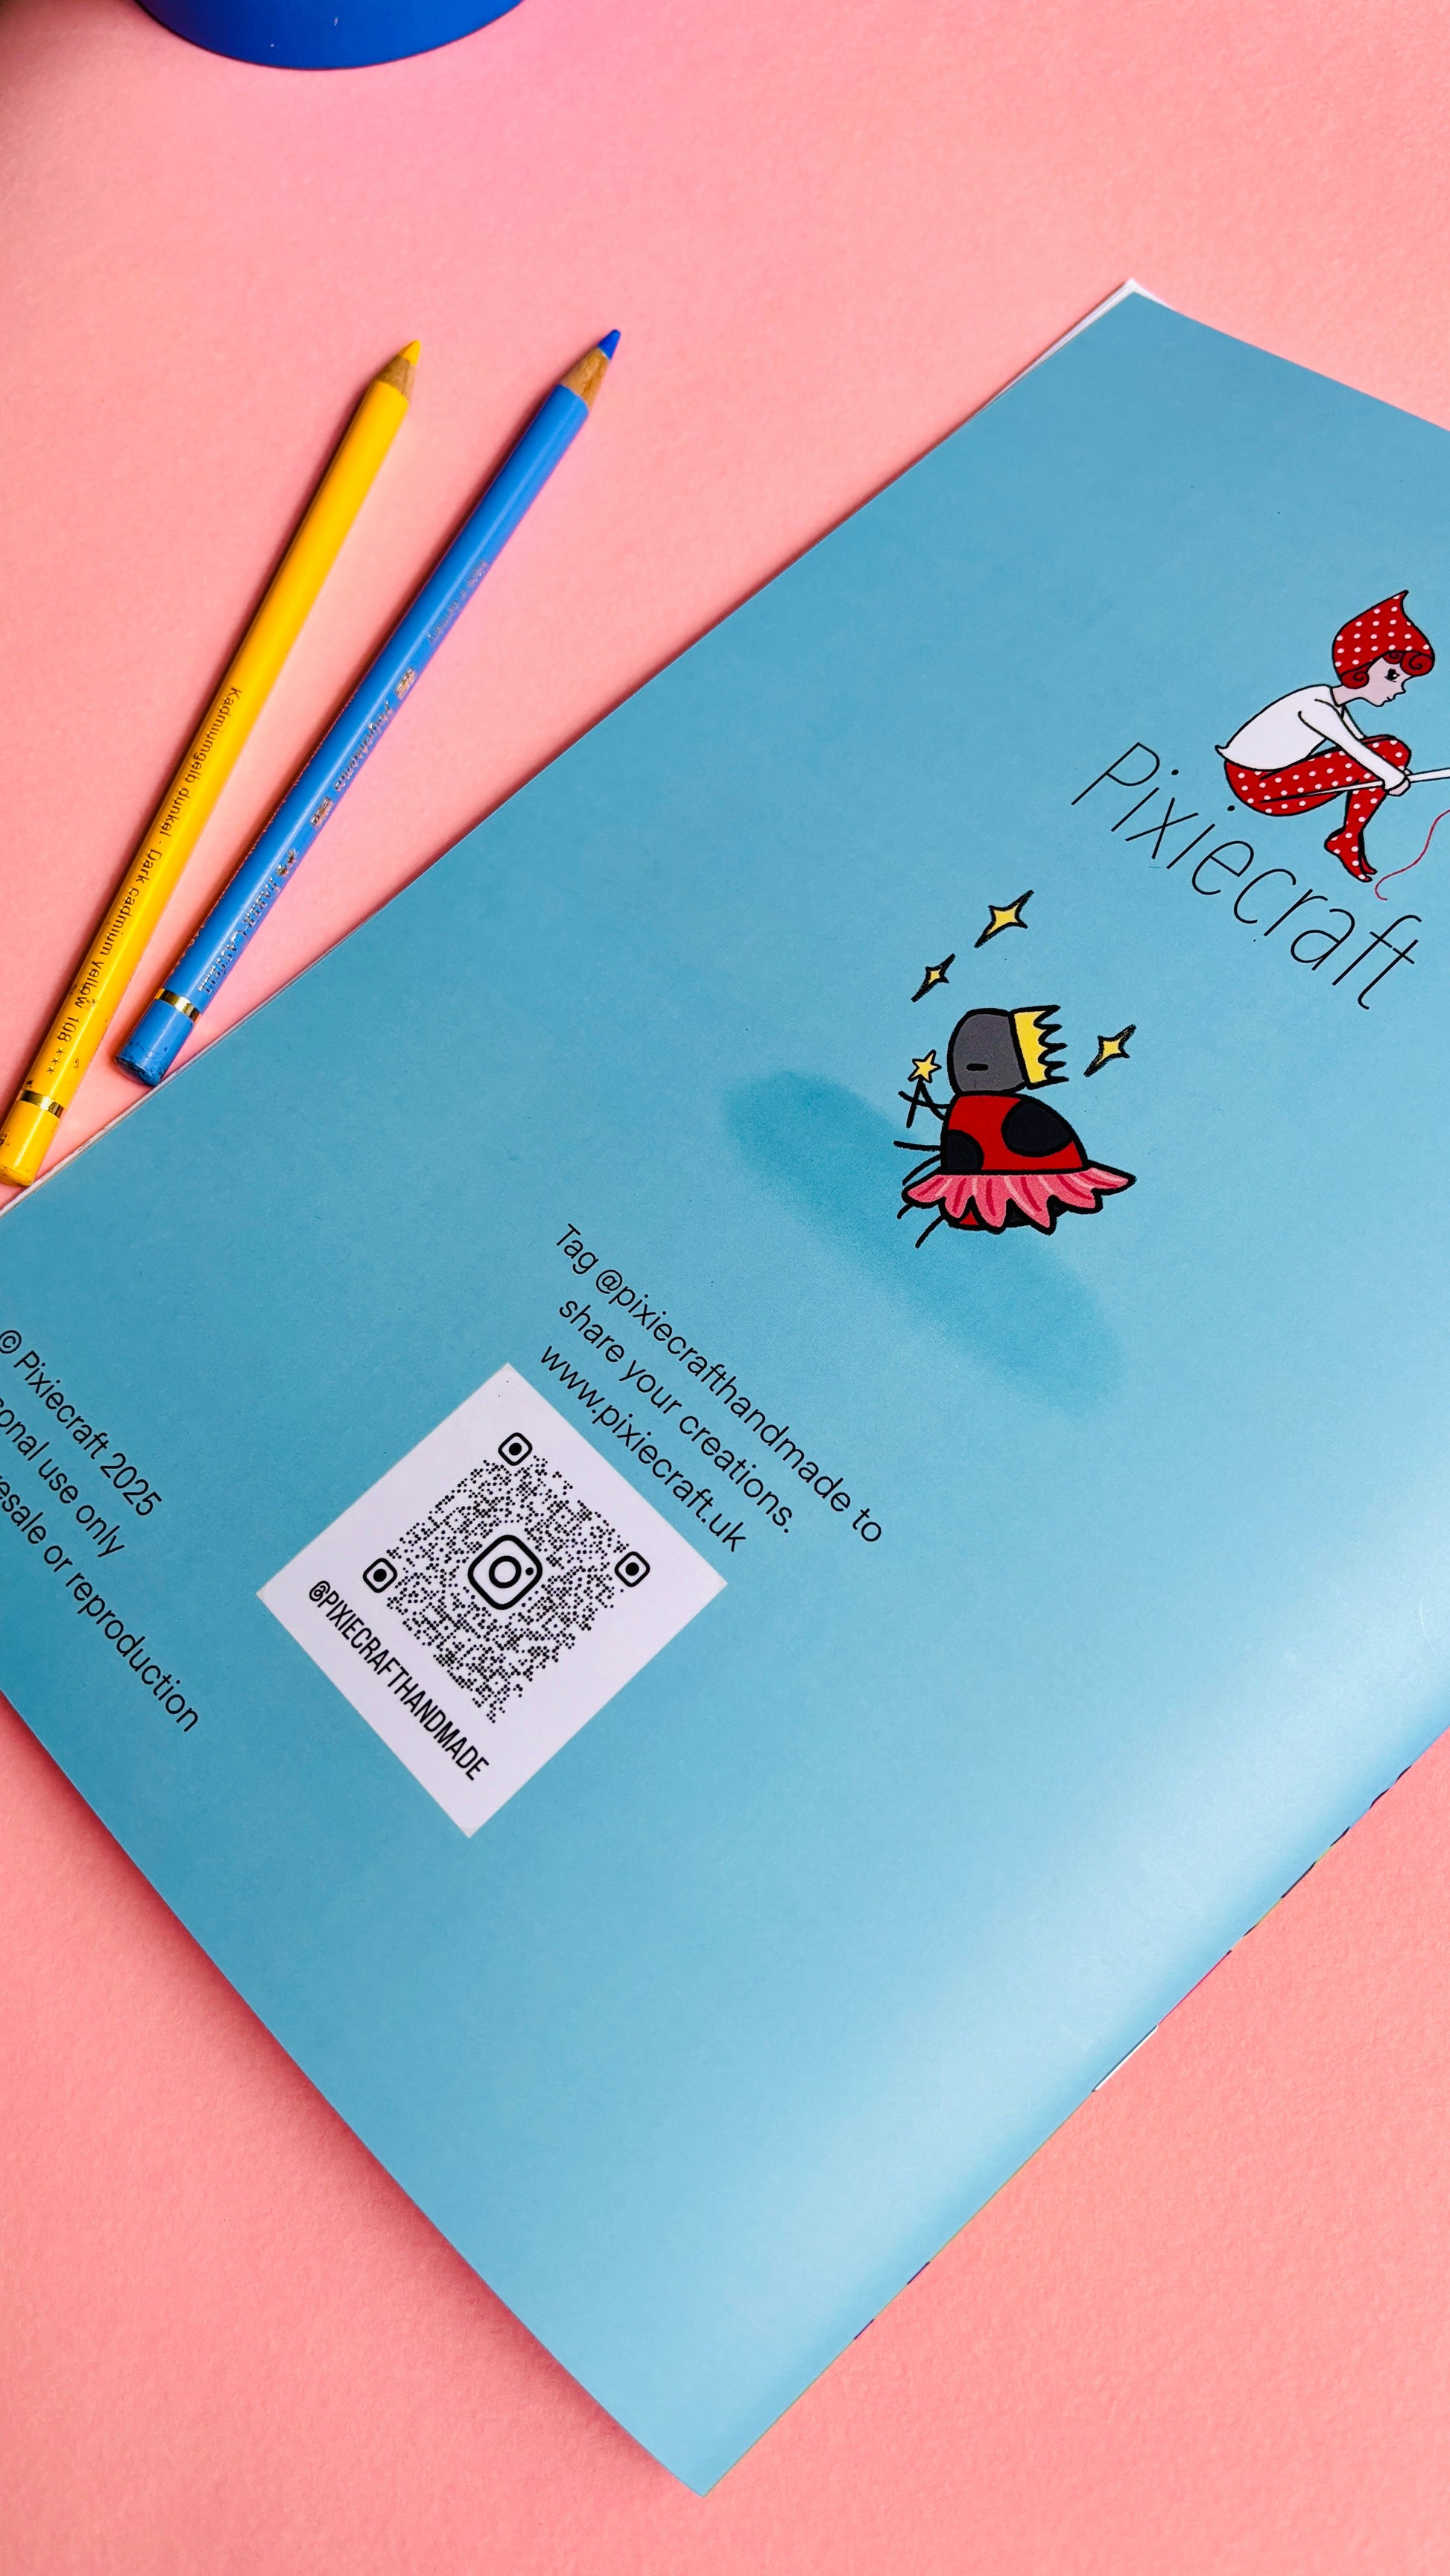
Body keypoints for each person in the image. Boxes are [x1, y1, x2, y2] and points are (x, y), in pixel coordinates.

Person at [1218, 592, 1434, 881]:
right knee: (1391, 752)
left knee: (1389, 753)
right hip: (1258, 786)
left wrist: (1390, 771)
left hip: (1275, 781)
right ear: (1361, 666)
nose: (1399, 689)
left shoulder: (1334, 705)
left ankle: (1348, 837)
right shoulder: (1316, 706)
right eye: (1392, 676)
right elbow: (1354, 749)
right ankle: (1348, 837)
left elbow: (1364, 746)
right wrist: (1391, 775)